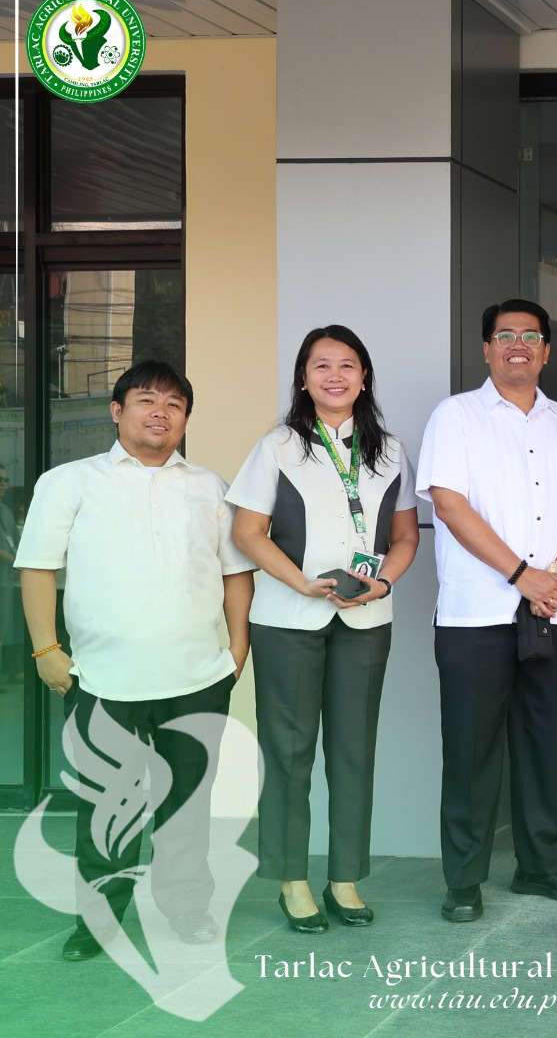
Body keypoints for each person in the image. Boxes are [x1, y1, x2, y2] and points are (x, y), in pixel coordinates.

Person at [17, 361, 256, 961]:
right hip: (103, 678)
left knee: (187, 805)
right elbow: (37, 567)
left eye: (174, 404)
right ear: (117, 410)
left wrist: (237, 648)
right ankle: (99, 921)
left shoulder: (211, 487)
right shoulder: (68, 482)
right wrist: (46, 650)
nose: (161, 413)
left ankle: (187, 907)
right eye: (147, 400)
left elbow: (235, 573)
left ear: (185, 420)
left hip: (197, 676)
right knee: (107, 807)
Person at [416, 299, 557, 922]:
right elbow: (449, 503)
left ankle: (541, 867)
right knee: (470, 753)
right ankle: (463, 881)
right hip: (475, 615)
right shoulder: (456, 416)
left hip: (555, 611)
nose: (517, 344)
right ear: (486, 349)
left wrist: (555, 577)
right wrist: (522, 576)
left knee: (543, 747)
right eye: (504, 335)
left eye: (530, 335)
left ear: (546, 350)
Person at [229, 326, 421, 933]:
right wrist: (301, 583)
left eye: (347, 365)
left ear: (364, 377)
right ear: (304, 378)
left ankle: (345, 878)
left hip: (366, 618)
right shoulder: (277, 447)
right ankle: (292, 880)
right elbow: (247, 533)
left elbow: (406, 537)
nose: (334, 375)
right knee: (288, 751)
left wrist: (383, 583)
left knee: (353, 749)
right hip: (289, 618)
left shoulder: (389, 451)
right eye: (321, 365)